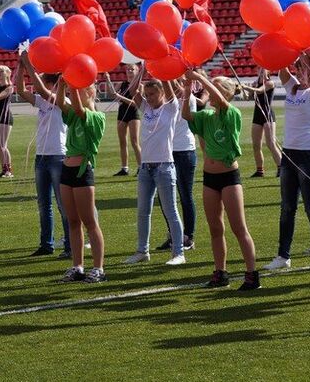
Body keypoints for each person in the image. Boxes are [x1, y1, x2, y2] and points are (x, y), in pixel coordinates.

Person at [182, 70, 260, 290]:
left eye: (213, 88)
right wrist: (188, 87)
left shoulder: (231, 112)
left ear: (224, 92)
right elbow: (186, 115)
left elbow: (224, 102)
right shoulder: (207, 116)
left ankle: (252, 274)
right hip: (209, 178)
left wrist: (201, 78)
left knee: (238, 227)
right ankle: (220, 272)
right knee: (215, 228)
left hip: (229, 177)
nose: (208, 91)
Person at [264, 55, 310, 272]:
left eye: (304, 68)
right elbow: (281, 67)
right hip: (289, 154)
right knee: (287, 207)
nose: (299, 71)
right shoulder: (292, 87)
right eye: (298, 67)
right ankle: (283, 255)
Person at [119, 78, 186, 266]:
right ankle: (142, 251)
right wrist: (141, 71)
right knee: (143, 211)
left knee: (170, 211)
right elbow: (132, 89)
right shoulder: (146, 109)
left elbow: (169, 89)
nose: (149, 98)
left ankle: (178, 253)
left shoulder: (170, 108)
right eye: (147, 95)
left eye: (153, 94)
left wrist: (163, 73)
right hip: (145, 168)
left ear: (161, 93)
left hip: (164, 166)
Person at [18, 53, 72, 259]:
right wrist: (21, 68)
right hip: (41, 157)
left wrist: (28, 63)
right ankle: (46, 244)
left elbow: (38, 88)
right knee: (44, 204)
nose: (41, 86)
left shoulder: (63, 100)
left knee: (62, 204)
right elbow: (21, 90)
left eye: (46, 81)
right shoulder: (43, 102)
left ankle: (69, 244)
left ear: (53, 84)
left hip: (58, 156)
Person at [55, 79, 107, 283]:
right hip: (67, 170)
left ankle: (98, 268)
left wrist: (74, 84)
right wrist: (61, 85)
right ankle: (77, 266)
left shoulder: (96, 117)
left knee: (90, 222)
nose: (74, 92)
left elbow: (76, 107)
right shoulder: (74, 115)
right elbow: (62, 103)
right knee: (73, 221)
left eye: (82, 90)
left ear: (92, 93)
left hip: (83, 172)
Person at [154, 77, 197, 253]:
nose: (175, 85)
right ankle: (173, 234)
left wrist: (171, 81)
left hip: (184, 150)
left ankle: (188, 236)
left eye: (178, 81)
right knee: (165, 197)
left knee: (185, 195)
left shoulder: (189, 98)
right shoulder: (166, 100)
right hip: (167, 151)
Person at [241, 68, 282, 178]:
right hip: (257, 115)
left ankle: (281, 168)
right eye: (260, 69)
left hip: (267, 115)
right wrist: (247, 92)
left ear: (268, 72)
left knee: (271, 143)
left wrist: (247, 87)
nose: (261, 71)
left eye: (264, 70)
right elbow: (248, 98)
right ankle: (260, 170)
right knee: (256, 145)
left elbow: (260, 91)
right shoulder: (255, 83)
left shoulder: (270, 83)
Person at [107, 64, 141, 176]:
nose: (130, 71)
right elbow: (112, 94)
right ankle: (124, 168)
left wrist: (119, 96)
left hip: (133, 114)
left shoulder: (139, 85)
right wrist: (108, 80)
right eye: (128, 69)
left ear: (137, 71)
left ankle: (141, 167)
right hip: (122, 113)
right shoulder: (122, 84)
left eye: (132, 69)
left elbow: (135, 104)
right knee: (122, 141)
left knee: (134, 141)